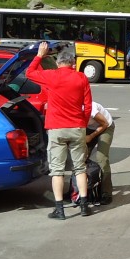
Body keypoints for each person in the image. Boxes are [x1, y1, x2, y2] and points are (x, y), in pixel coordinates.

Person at [26, 40, 93, 219]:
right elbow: (88, 105)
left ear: (58, 63)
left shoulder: (52, 76)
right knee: (79, 167)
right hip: (77, 126)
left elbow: (29, 73)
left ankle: (59, 209)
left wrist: (39, 55)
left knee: (57, 170)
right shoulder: (81, 78)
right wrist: (83, 123)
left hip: (56, 127)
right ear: (73, 63)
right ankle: (84, 206)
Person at [84, 99, 114, 205]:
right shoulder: (70, 108)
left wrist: (91, 136)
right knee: (80, 157)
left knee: (101, 157)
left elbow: (104, 123)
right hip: (89, 127)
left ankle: (106, 193)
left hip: (105, 126)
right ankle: (77, 191)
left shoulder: (90, 108)